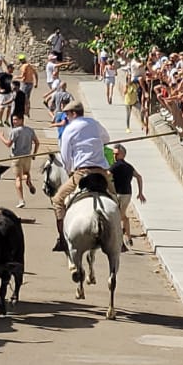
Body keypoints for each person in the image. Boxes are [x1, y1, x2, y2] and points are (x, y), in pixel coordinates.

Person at [51, 101, 114, 255]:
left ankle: (62, 238)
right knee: (115, 198)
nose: (66, 117)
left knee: (58, 200)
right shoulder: (94, 124)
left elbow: (65, 156)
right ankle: (119, 235)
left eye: (67, 114)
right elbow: (106, 139)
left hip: (82, 173)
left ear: (73, 114)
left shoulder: (69, 129)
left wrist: (70, 171)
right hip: (101, 172)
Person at [108, 144, 146, 248]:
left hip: (118, 194)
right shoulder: (129, 166)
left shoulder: (115, 166)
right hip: (127, 194)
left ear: (122, 154)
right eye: (113, 154)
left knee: (117, 217)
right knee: (122, 216)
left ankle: (121, 240)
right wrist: (140, 192)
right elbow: (139, 177)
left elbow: (106, 174)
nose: (114, 156)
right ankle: (128, 237)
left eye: (116, 154)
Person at [0, 115, 39, 208]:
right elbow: (37, 142)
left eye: (16, 119)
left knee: (18, 178)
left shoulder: (15, 131)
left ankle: (21, 200)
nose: (14, 122)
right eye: (13, 120)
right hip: (27, 156)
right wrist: (34, 154)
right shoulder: (29, 130)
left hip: (17, 157)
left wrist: (1, 136)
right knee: (26, 173)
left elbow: (8, 144)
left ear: (22, 120)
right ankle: (29, 183)